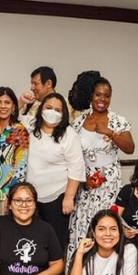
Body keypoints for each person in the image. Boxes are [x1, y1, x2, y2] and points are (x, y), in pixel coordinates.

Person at [66, 71, 134, 263]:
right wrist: (82, 181)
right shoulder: (78, 122)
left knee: (106, 225)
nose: (102, 99)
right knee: (83, 225)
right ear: (91, 95)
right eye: (98, 94)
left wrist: (111, 133)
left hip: (108, 183)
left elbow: (130, 148)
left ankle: (107, 271)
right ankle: (79, 271)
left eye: (107, 95)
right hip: (85, 182)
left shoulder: (118, 120)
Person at [25, 95, 83, 253]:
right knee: (31, 241)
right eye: (48, 108)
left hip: (57, 198)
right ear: (41, 109)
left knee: (54, 242)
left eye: (58, 110)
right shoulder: (31, 125)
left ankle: (55, 270)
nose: (52, 113)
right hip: (30, 197)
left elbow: (76, 167)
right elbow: (10, 115)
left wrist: (69, 197)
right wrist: (22, 101)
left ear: (64, 114)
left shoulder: (69, 134)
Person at [0, 86, 29, 216]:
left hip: (7, 194)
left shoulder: (19, 131)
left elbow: (21, 167)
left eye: (7, 102)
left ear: (14, 106)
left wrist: (13, 197)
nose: (3, 106)